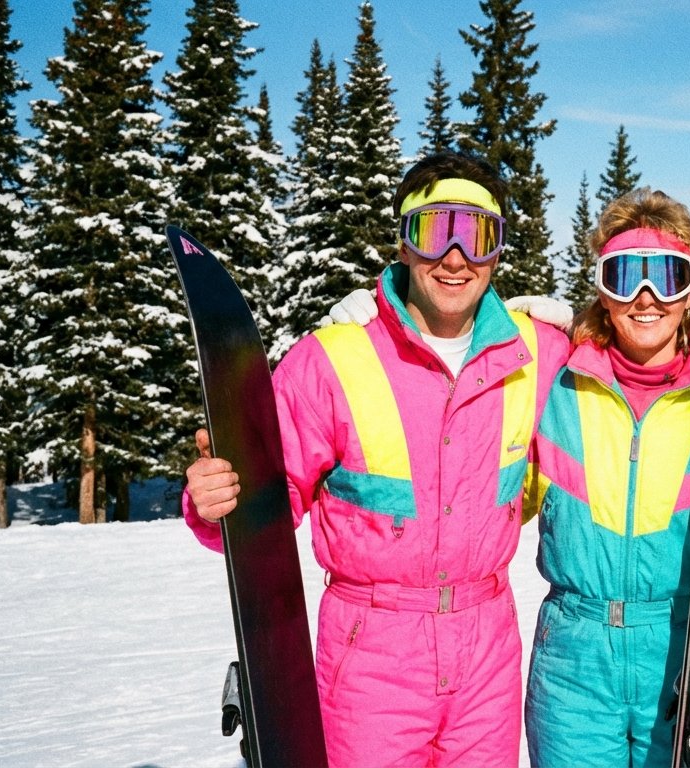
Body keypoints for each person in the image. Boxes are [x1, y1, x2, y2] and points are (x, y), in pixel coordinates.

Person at [182, 151, 572, 767]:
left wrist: (592, 327)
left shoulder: (539, 352)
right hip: (371, 652)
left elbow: (637, 363)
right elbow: (263, 499)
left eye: (476, 235)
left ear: (497, 251)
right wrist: (213, 503)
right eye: (434, 231)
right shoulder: (331, 359)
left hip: (487, 652)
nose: (455, 257)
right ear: (403, 242)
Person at [521, 188, 690, 767]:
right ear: (601, 291)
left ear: (688, 292)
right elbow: (494, 499)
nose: (645, 298)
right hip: (574, 657)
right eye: (623, 276)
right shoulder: (559, 383)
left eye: (666, 276)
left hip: (687, 643)